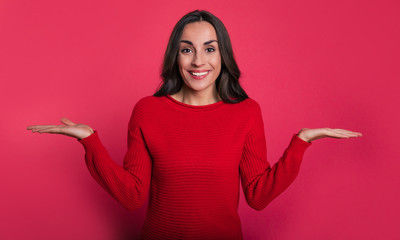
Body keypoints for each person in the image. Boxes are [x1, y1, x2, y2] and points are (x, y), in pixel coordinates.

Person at [27, 10, 362, 240]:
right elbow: (132, 196)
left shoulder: (246, 112)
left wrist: (301, 142)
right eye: (187, 49)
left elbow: (258, 195)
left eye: (209, 49)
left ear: (222, 56)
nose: (198, 61)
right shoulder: (147, 111)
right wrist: (89, 141)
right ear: (176, 55)